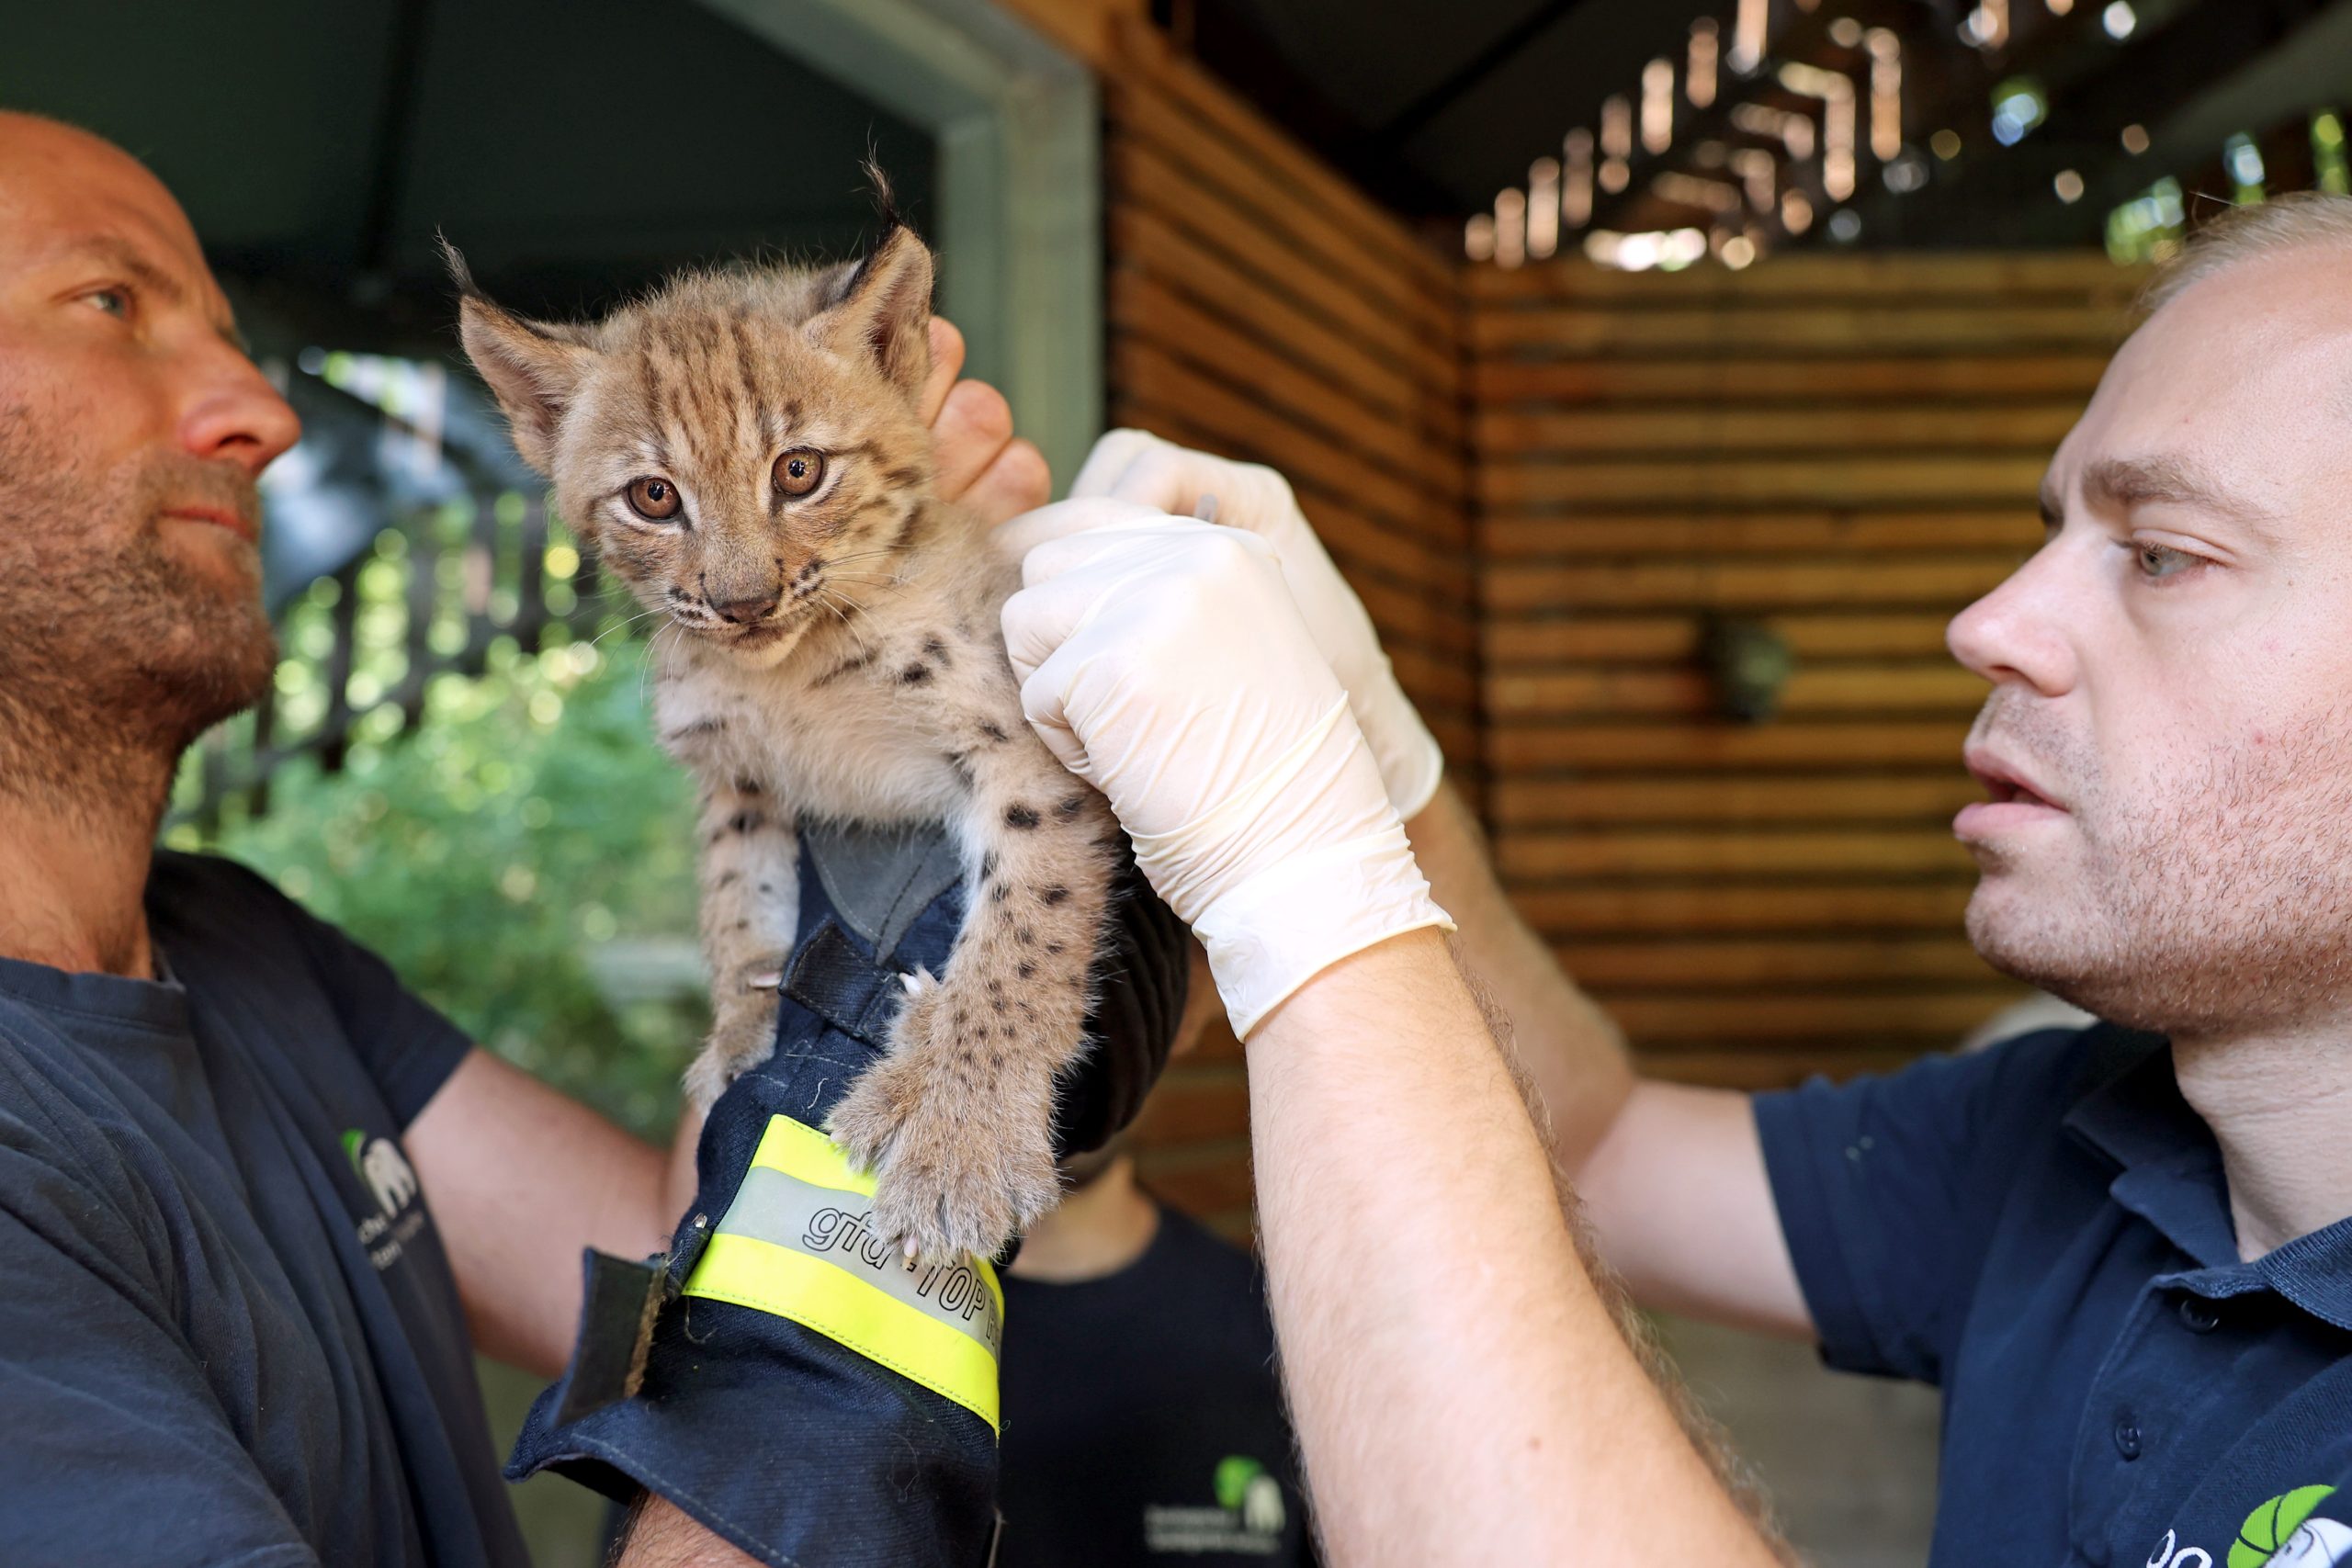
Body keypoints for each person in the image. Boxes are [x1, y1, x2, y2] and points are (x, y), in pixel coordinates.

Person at [997, 194, 2352, 1567]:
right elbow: (1595, 1143)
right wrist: (1375, 749)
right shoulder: (2071, 1137)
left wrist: (1301, 881)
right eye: (2054, 528)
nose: (1991, 621)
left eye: (2164, 554)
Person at [0, 109, 1143, 1568]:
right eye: (111, 303)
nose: (264, 406)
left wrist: (871, 940)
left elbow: (681, 1234)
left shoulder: (249, 957)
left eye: (232, 327)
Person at [996, 950, 1316, 1568]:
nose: (1068, 1047)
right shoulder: (859, 1328)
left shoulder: (1276, 1331)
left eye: (1099, 995)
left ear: (1184, 1015)